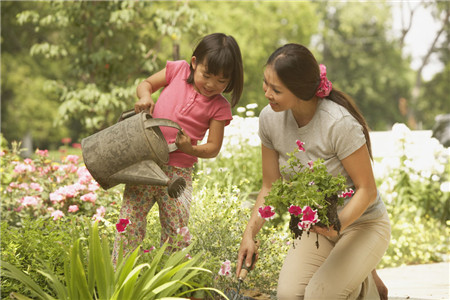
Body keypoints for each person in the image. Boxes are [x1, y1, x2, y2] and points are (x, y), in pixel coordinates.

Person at [236, 44, 391, 299]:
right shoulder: (269, 119)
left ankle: (364, 286)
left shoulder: (338, 123)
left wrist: (337, 225)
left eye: (276, 90)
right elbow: (270, 186)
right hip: (318, 227)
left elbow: (367, 190)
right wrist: (249, 234)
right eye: (265, 84)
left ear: (301, 91)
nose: (267, 93)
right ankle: (360, 278)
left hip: (364, 224)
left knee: (321, 295)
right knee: (288, 296)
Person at [113, 33, 243, 262]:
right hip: (146, 163)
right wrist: (145, 97)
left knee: (176, 233)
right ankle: (119, 280)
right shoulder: (178, 71)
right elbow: (146, 84)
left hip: (178, 176)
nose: (212, 85)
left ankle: (171, 289)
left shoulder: (220, 106)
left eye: (222, 81)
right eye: (207, 75)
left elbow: (213, 147)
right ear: (194, 63)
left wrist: (190, 149)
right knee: (129, 223)